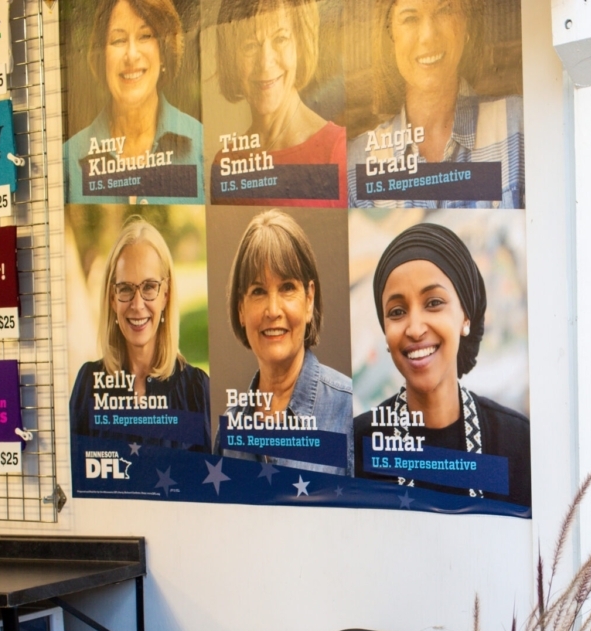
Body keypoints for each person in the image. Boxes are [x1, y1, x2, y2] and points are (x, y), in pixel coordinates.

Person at [353, 223, 530, 507]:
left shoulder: (516, 442)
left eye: (433, 302)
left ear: (465, 317)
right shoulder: (358, 445)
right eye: (397, 312)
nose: (414, 328)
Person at [346, 0, 524, 209]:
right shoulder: (358, 162)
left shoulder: (516, 125)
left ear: (467, 23)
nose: (428, 35)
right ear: (390, 37)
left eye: (444, 10)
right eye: (410, 18)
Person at [217, 210, 354, 475]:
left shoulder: (347, 409)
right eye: (258, 291)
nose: (273, 310)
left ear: (309, 298)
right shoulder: (230, 428)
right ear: (241, 309)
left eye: (287, 288)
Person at [70, 216, 212, 451]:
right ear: (112, 298)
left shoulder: (195, 390)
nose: (137, 304)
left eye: (149, 287)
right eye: (125, 288)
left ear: (166, 294)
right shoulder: (89, 385)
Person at [64, 0, 204, 204]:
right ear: (102, 56)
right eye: (118, 40)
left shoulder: (201, 146)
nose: (131, 55)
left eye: (145, 36)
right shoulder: (69, 159)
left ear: (163, 51)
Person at [212, 0, 347, 207]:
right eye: (250, 45)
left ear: (300, 45)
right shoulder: (225, 163)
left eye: (280, 39)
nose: (265, 62)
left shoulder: (337, 150)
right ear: (232, 59)